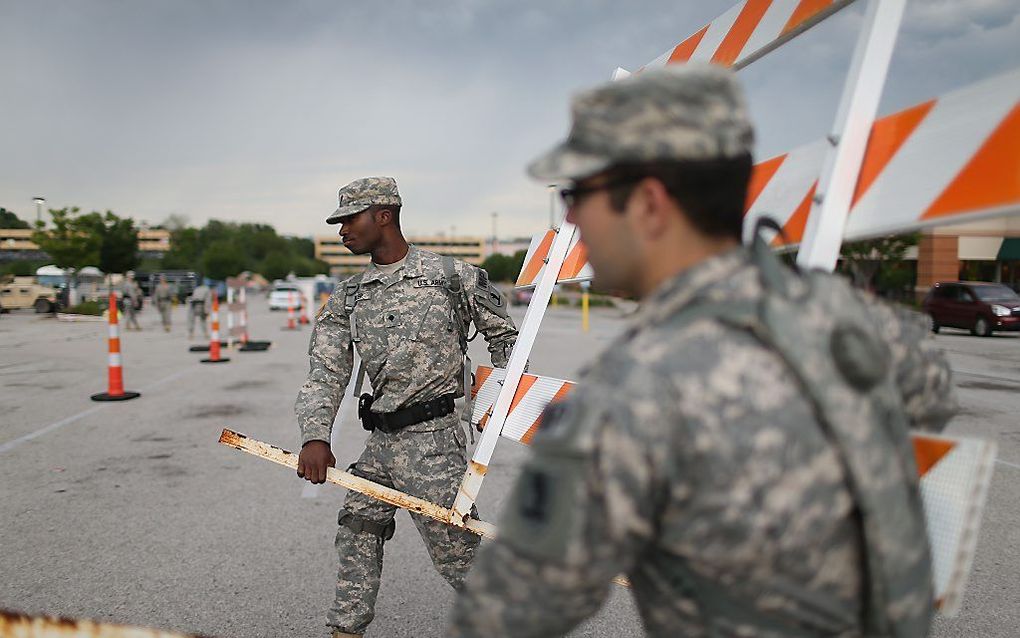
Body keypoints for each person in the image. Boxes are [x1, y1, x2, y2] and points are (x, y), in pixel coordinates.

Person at [448, 65, 958, 637]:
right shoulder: (860, 326)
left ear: (648, 203)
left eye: (577, 194)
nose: (569, 217)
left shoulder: (626, 398)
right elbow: (933, 400)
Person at [295, 176, 520, 638]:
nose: (342, 231)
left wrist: (494, 405)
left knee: (456, 555)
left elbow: (508, 344)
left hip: (433, 444)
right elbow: (325, 371)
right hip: (380, 442)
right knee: (357, 527)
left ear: (384, 215)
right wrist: (315, 436)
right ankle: (345, 631)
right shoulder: (350, 296)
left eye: (349, 220)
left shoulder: (452, 277)